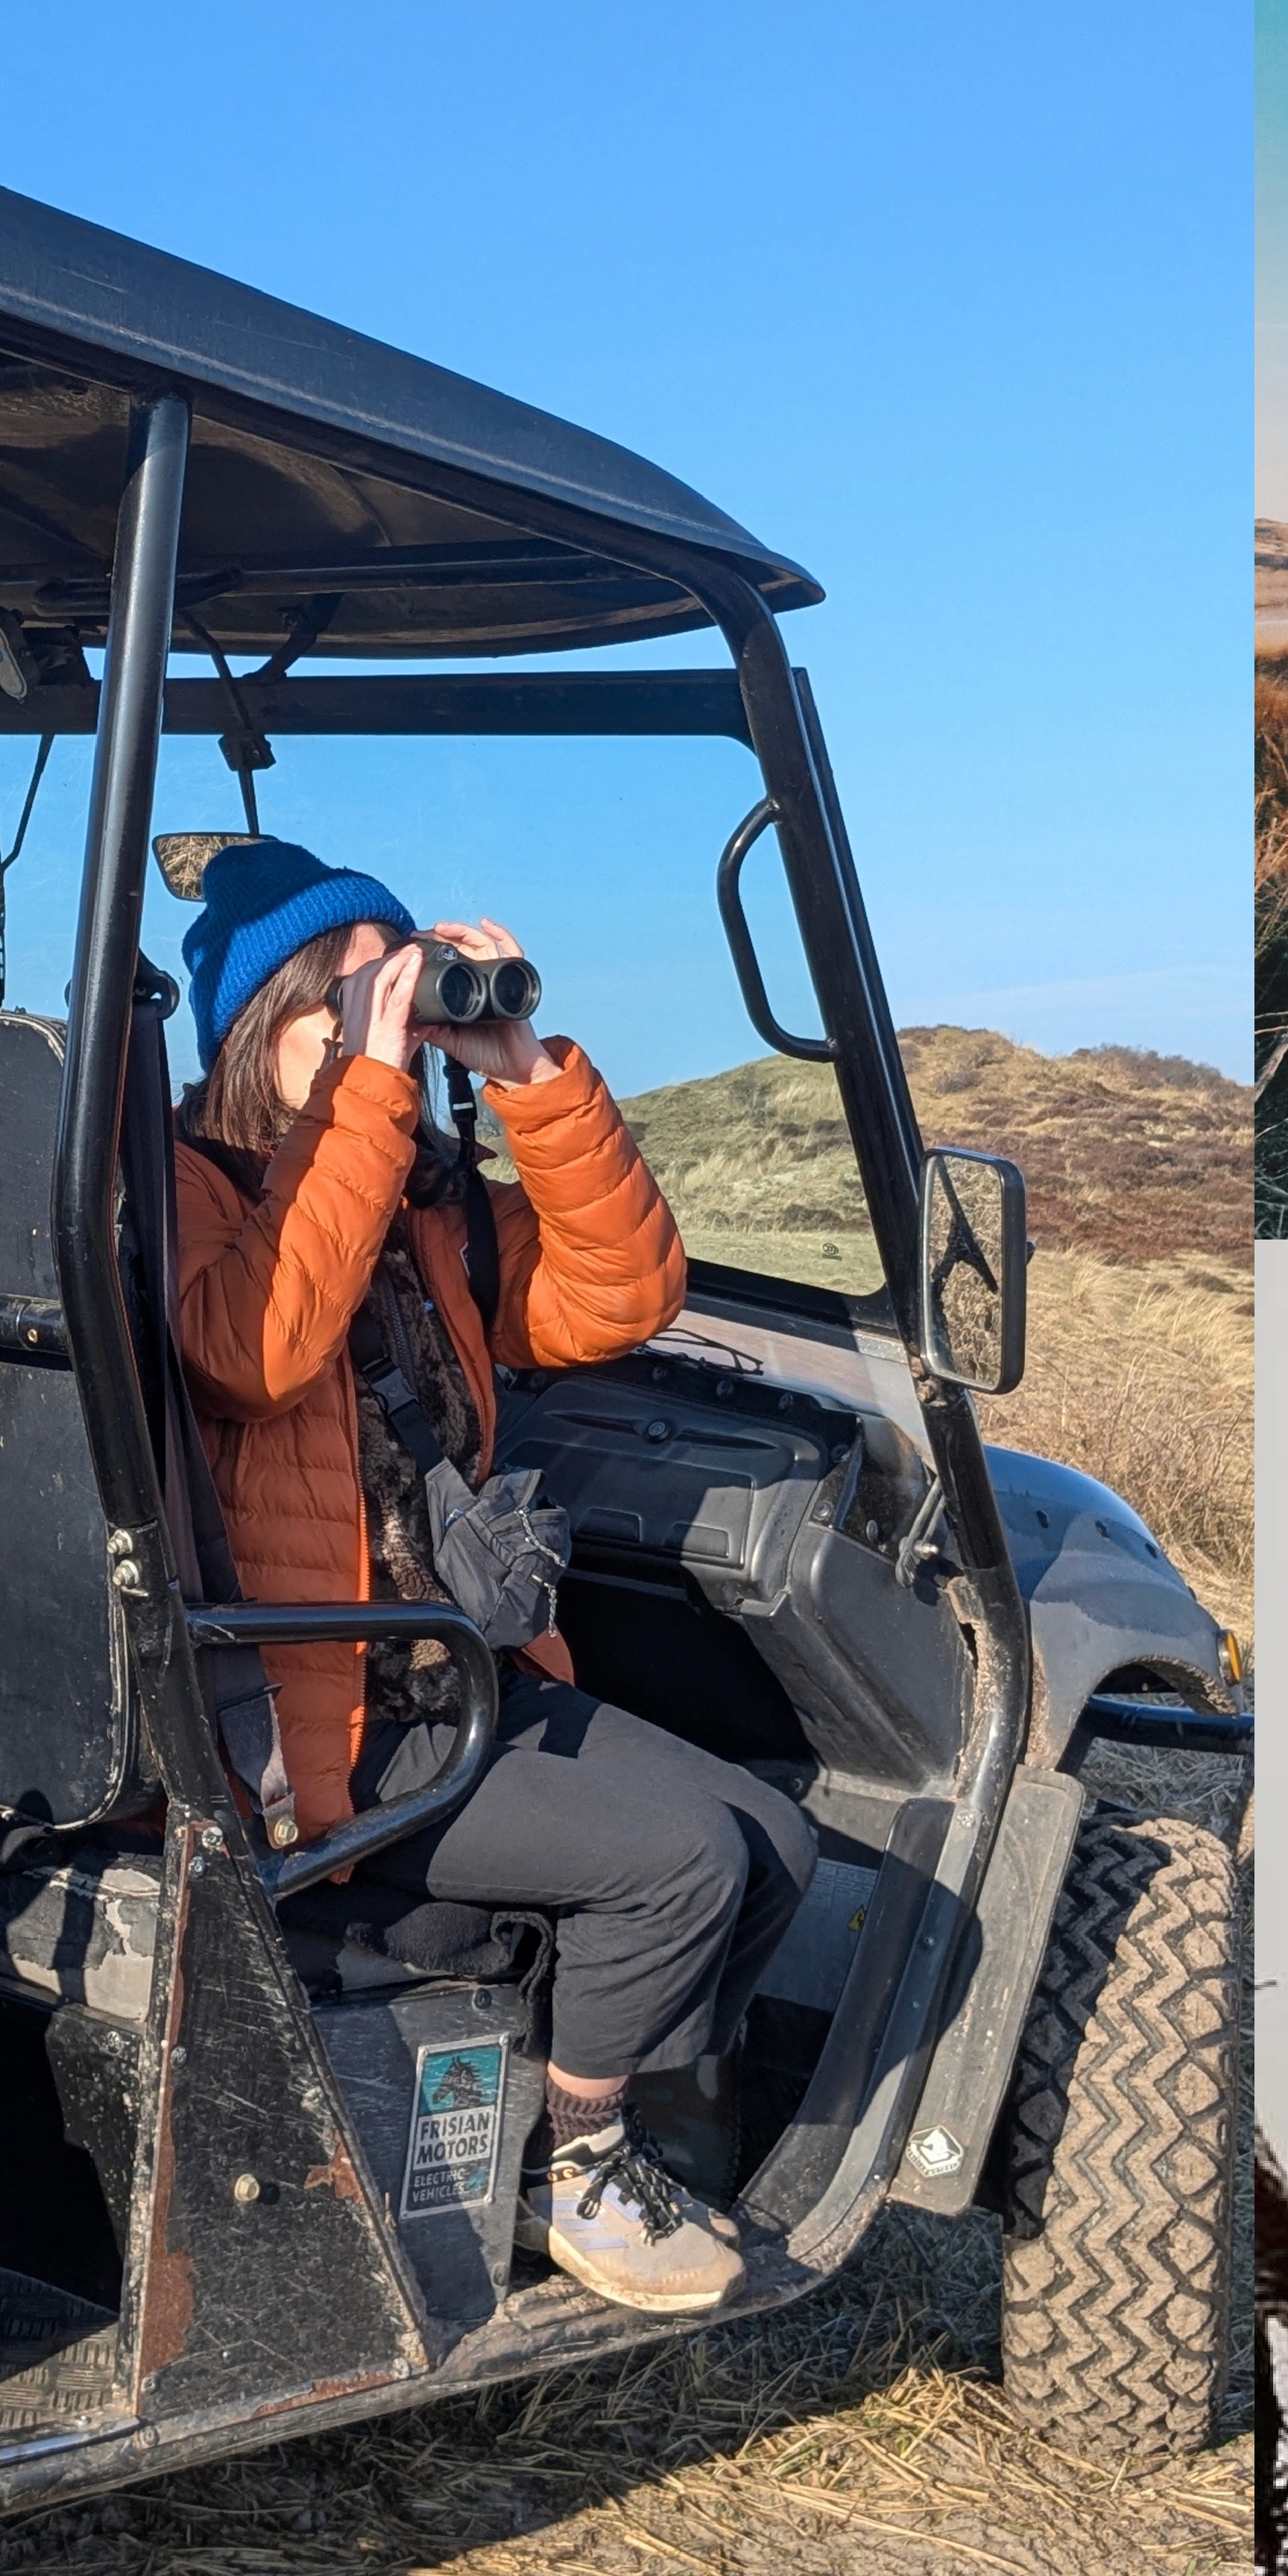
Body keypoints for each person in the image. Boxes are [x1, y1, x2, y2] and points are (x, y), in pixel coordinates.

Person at [167, 839, 816, 2314]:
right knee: (684, 1863)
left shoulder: (417, 1213)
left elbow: (623, 1294)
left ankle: (584, 2128)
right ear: (262, 1025)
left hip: (450, 1671)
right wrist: (371, 1099)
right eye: (353, 999)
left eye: (399, 992)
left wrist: (526, 1069)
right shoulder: (188, 1192)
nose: (386, 1025)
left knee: (772, 1839)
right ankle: (573, 2169)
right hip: (308, 1720)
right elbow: (254, 1348)